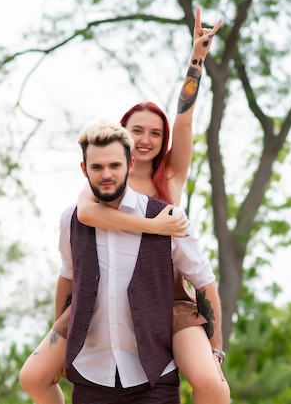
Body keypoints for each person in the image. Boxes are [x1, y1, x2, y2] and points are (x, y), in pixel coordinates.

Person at [20, 6, 229, 403]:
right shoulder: (104, 180)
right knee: (33, 376)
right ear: (125, 139)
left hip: (164, 293)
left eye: (155, 132)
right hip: (101, 292)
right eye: (138, 131)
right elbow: (82, 220)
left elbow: (184, 120)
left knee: (210, 382)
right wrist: (154, 227)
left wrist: (196, 61)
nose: (147, 138)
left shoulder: (168, 179)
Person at [65, 122, 223, 403]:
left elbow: (204, 281)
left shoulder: (168, 218)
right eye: (97, 167)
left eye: (115, 165)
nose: (106, 174)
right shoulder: (72, 219)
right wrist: (63, 344)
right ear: (83, 169)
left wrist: (216, 348)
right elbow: (67, 279)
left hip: (153, 378)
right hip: (91, 377)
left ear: (131, 164)